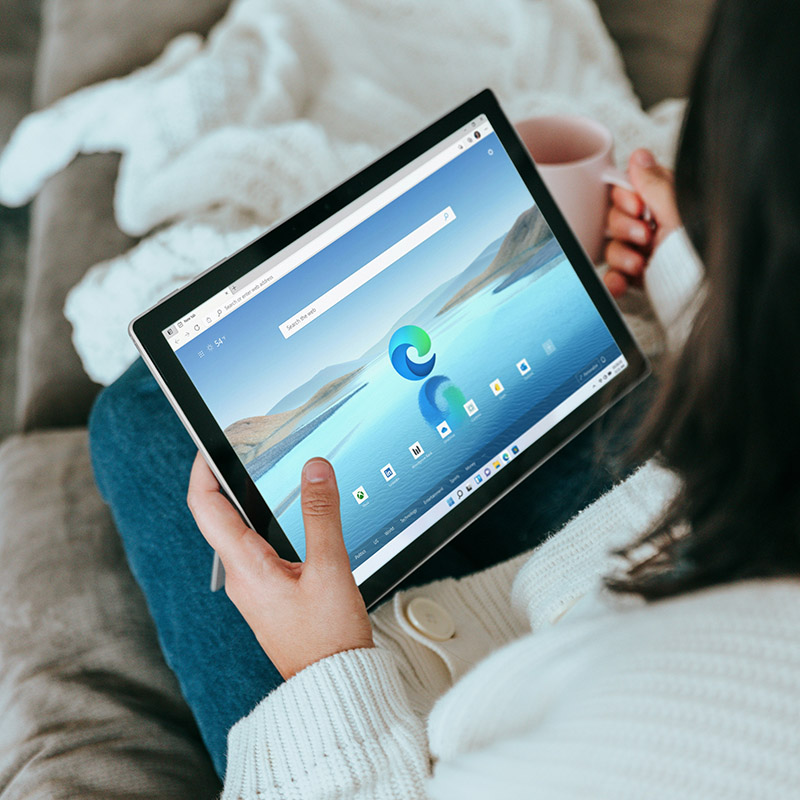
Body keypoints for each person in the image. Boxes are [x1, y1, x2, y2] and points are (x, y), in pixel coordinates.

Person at [89, 0, 800, 795]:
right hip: (655, 518)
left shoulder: (695, 732)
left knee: (140, 419)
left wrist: (322, 666)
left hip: (457, 711)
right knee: (563, 353)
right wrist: (702, 292)